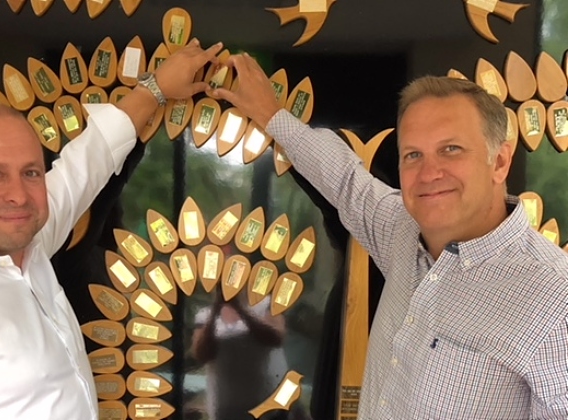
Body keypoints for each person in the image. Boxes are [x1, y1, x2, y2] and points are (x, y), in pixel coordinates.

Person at [0, 39, 222, 420]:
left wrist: (154, 89)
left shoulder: (27, 245)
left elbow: (87, 163)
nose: (19, 195)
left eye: (31, 173)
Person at [211, 54, 568, 419]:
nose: (429, 173)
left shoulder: (556, 301)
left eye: (451, 149)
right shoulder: (402, 230)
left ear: (500, 162)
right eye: (413, 154)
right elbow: (346, 180)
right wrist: (272, 115)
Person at [191, 292, 289, 420]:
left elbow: (275, 338)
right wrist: (216, 310)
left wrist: (241, 310)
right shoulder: (205, 316)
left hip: (268, 405)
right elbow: (200, 354)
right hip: (226, 408)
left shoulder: (266, 305)